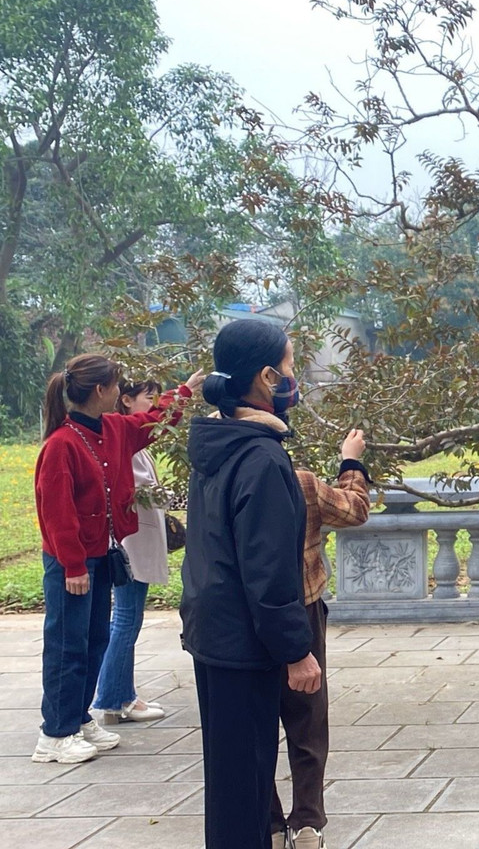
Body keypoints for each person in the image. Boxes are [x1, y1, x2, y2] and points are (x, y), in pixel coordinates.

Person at [182, 320, 322, 849]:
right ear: (266, 377)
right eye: (289, 366)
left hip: (214, 635)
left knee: (231, 784)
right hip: (243, 643)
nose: (294, 377)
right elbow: (267, 570)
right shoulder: (261, 457)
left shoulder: (218, 441)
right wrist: (295, 650)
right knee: (246, 785)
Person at [32, 355, 200, 764]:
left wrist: (186, 392)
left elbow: (155, 422)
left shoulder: (112, 429)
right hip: (72, 562)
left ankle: (79, 718)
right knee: (67, 645)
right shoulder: (61, 444)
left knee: (94, 640)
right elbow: (56, 512)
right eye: (116, 384)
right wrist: (72, 565)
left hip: (104, 553)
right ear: (100, 391)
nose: (120, 390)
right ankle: (55, 733)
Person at [271, 429, 372, 849]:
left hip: (242, 617)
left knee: (256, 723)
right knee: (308, 719)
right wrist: (351, 461)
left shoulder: (218, 475)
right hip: (301, 606)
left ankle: (271, 825)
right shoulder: (302, 483)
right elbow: (355, 509)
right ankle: (308, 824)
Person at [92, 380, 174, 725]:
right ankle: (113, 697)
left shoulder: (130, 439)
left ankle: (121, 695)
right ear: (125, 400)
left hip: (135, 541)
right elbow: (139, 492)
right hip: (131, 544)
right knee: (126, 619)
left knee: (127, 618)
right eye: (149, 399)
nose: (154, 406)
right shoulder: (124, 440)